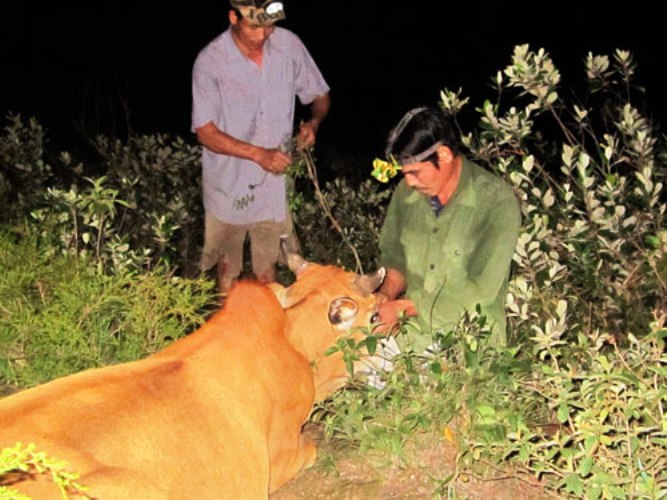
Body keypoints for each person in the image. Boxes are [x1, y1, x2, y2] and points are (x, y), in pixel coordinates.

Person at [191, 0, 330, 296]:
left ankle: (266, 332)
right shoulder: (211, 61)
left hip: (273, 188)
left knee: (268, 273)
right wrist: (258, 154)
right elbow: (205, 132)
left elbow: (320, 95)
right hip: (228, 187)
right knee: (228, 276)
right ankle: (230, 333)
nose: (264, 34)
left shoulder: (289, 46)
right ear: (233, 17)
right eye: (255, 25)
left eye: (270, 25)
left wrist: (313, 124)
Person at [374, 107, 522, 353]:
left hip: (470, 342)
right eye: (404, 174)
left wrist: (404, 308)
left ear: (443, 155)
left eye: (415, 172)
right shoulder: (405, 194)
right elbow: (395, 257)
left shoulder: (497, 202)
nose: (409, 182)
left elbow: (480, 292)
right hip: (410, 334)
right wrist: (386, 295)